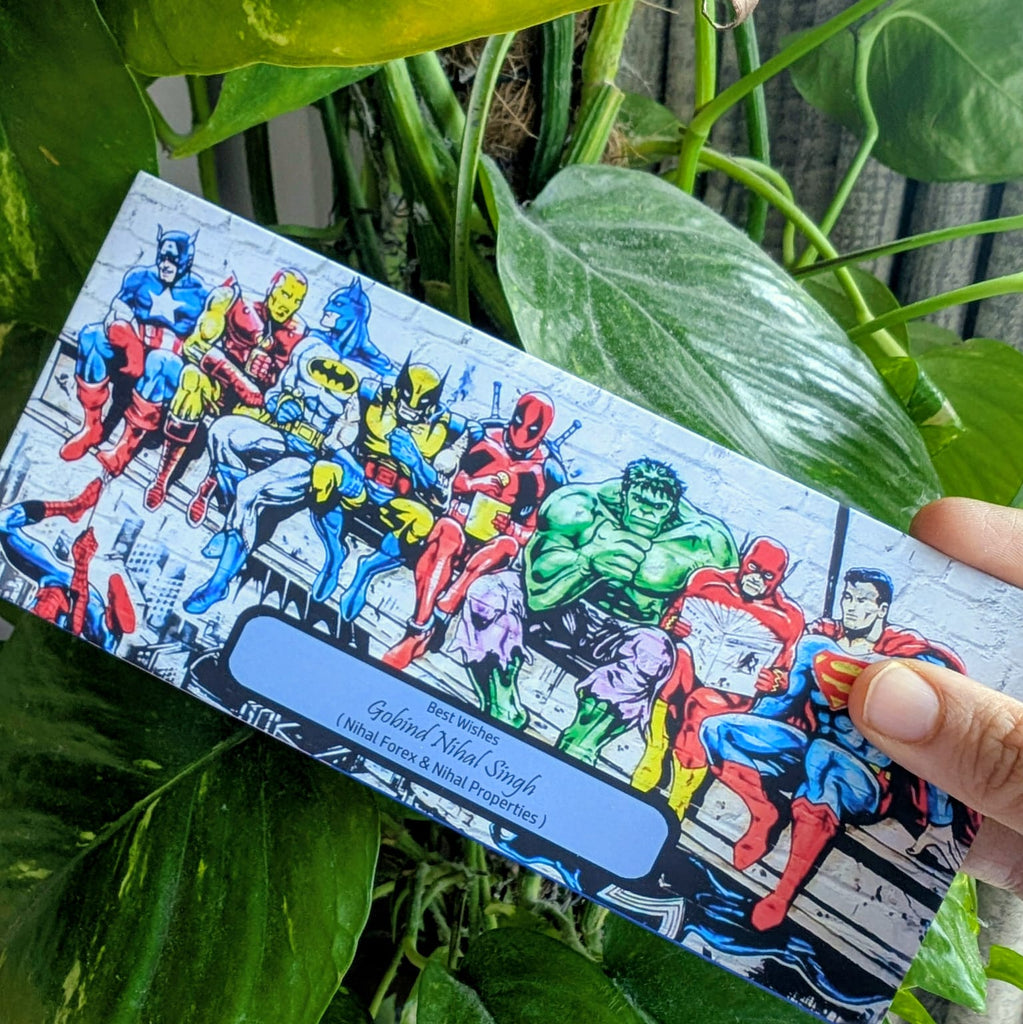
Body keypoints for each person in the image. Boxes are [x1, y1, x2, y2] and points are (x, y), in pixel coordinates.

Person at [849, 496, 1023, 899]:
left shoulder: (915, 650)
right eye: (849, 598)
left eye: (862, 600)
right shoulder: (828, 641)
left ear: (881, 608)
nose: (853, 607)